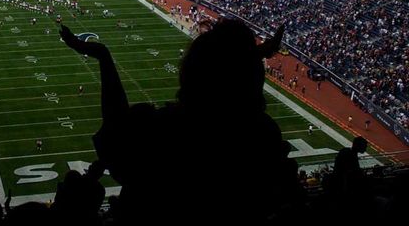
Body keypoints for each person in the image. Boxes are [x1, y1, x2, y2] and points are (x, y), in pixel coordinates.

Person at [60, 20, 301, 223]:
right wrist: (250, 57)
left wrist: (103, 57)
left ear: (191, 75)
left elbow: (118, 131)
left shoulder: (170, 129)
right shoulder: (262, 133)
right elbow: (226, 77)